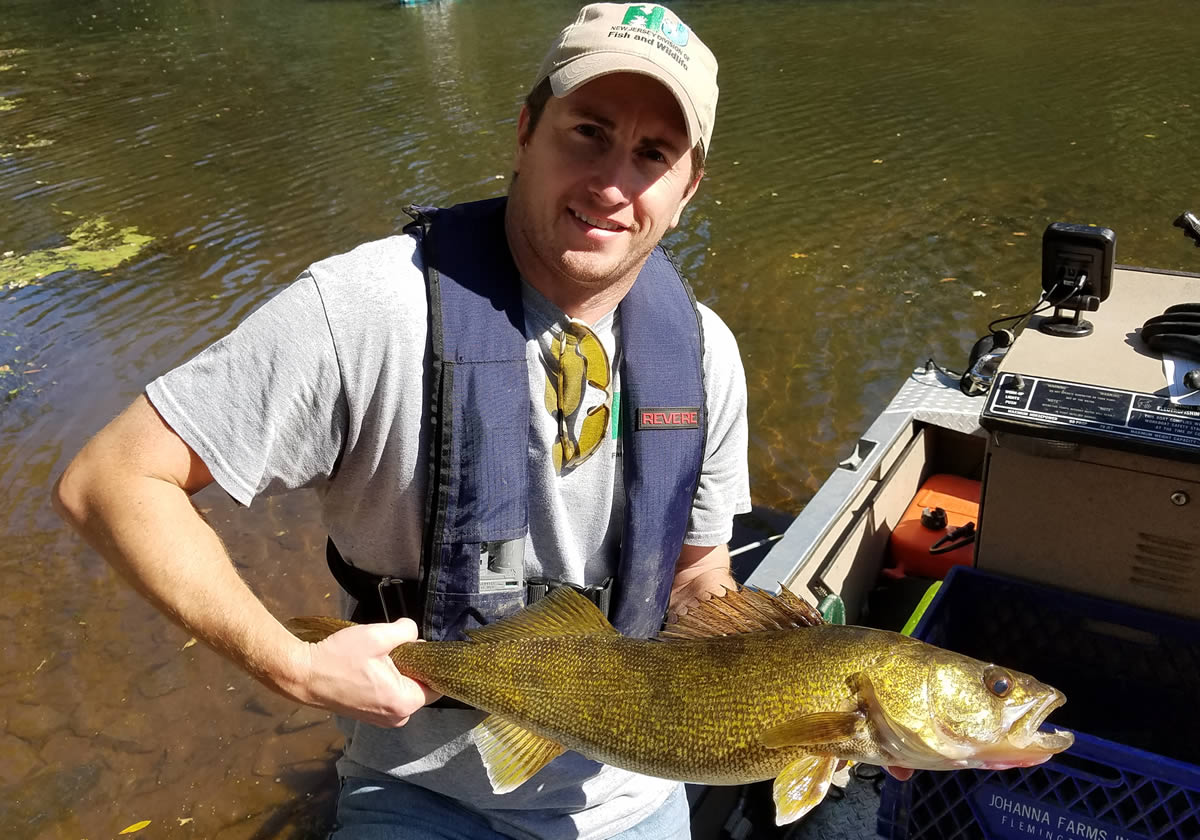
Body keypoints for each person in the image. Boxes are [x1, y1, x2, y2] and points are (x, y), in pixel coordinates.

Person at [53, 4, 754, 838]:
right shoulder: (369, 311)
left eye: (652, 155)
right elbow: (114, 478)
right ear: (527, 130)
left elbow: (695, 580)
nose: (611, 183)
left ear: (689, 186)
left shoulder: (704, 352)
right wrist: (295, 667)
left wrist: (834, 707)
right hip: (424, 796)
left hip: (632, 793)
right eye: (588, 133)